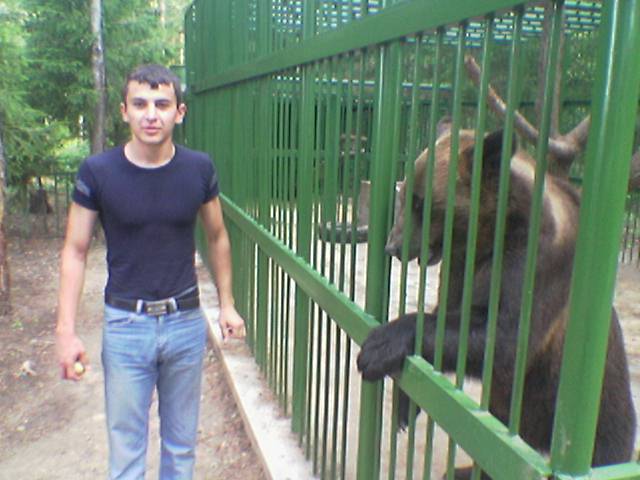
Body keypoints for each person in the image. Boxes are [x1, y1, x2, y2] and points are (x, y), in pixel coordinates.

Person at [55, 64, 246, 479]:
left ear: (180, 112)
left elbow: (217, 236)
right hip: (126, 326)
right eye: (140, 104)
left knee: (181, 450)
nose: (151, 115)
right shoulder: (98, 172)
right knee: (126, 456)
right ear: (124, 111)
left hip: (185, 324)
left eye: (162, 104)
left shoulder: (198, 169)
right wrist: (66, 332)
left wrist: (227, 304)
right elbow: (75, 249)